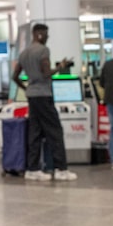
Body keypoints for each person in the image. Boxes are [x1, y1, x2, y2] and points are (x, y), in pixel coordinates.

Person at [12, 23, 77, 181]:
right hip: (44, 95)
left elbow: (15, 77)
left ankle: (32, 169)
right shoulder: (43, 50)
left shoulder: (24, 53)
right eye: (46, 34)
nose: (47, 37)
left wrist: (26, 88)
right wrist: (60, 67)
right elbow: (46, 73)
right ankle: (61, 169)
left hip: (32, 97)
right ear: (39, 34)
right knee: (55, 131)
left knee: (35, 132)